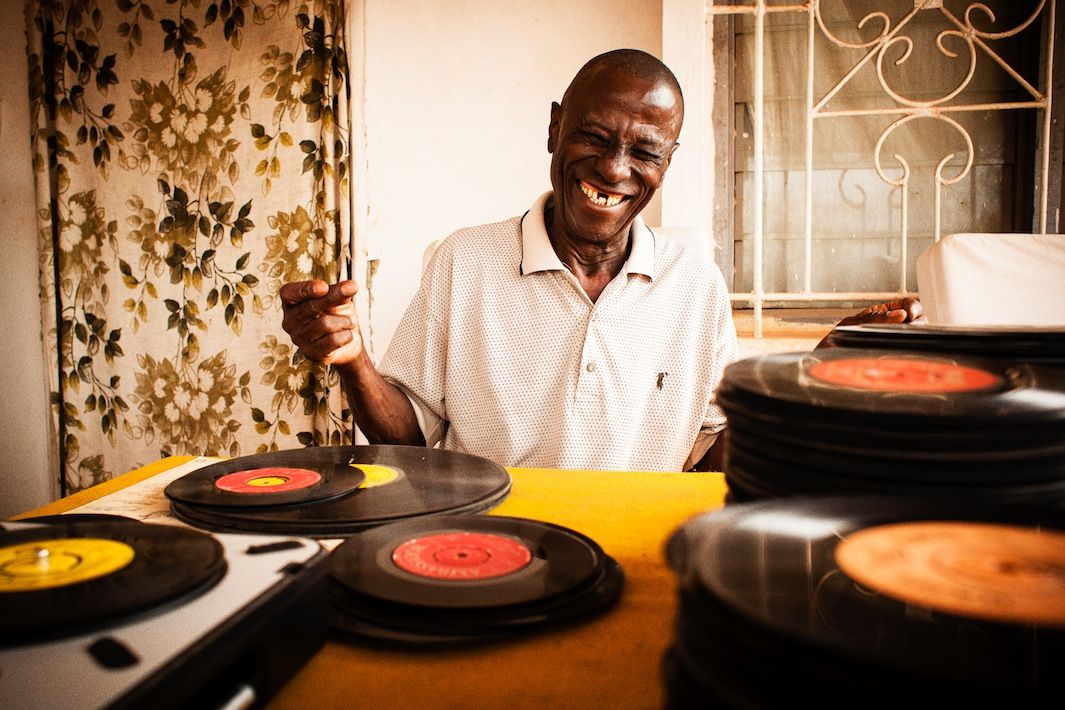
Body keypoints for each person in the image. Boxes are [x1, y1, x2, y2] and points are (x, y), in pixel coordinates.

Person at [280, 49, 921, 473]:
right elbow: (407, 441)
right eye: (594, 136)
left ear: (667, 164)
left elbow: (710, 462)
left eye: (644, 152)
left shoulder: (694, 285)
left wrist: (816, 373)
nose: (615, 170)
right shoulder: (464, 262)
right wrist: (354, 360)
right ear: (555, 129)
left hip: (636, 549)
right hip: (492, 542)